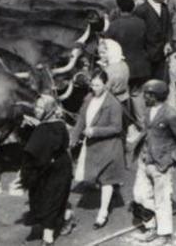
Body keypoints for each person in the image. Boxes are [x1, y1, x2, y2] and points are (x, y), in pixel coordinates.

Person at [132, 79, 176, 245]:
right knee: (140, 196)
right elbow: (148, 132)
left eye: (147, 94)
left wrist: (172, 159)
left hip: (161, 164)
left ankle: (164, 234)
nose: (144, 97)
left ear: (156, 96)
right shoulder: (148, 110)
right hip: (145, 161)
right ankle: (151, 227)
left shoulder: (170, 114)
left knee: (162, 200)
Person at [70, 70, 126, 229]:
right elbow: (81, 120)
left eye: (98, 85)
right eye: (92, 85)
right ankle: (109, 198)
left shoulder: (113, 103)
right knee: (97, 178)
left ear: (105, 84)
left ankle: (102, 214)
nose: (94, 88)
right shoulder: (88, 98)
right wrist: (73, 139)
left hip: (109, 147)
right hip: (93, 146)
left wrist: (95, 131)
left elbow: (117, 127)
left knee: (106, 179)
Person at [21, 95, 75, 244]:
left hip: (57, 171)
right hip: (48, 169)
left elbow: (40, 148)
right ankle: (67, 217)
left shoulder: (50, 129)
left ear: (49, 110)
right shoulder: (52, 125)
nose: (36, 110)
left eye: (40, 108)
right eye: (36, 107)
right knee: (45, 200)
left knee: (51, 201)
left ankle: (48, 238)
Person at [136, 0, 173, 81]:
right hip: (148, 56)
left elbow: (169, 27)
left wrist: (168, 42)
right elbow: (139, 34)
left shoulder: (164, 8)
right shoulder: (141, 10)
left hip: (162, 54)